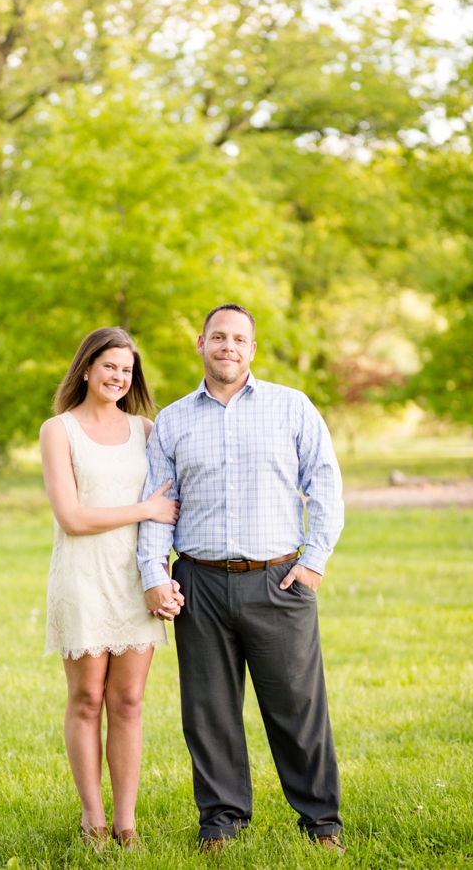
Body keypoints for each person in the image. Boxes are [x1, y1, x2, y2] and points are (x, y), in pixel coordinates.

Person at [136, 303, 347, 854]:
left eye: (239, 339)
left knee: (298, 708)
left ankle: (322, 822)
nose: (227, 346)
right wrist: (154, 573)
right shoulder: (174, 421)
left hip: (278, 581)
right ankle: (221, 821)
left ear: (252, 349)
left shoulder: (291, 407)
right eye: (218, 337)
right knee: (208, 711)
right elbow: (158, 503)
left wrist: (314, 562)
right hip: (198, 585)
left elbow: (324, 484)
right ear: (200, 344)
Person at [40, 327, 184, 850]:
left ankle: (126, 825)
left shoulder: (146, 430)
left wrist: (163, 576)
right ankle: (93, 820)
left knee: (128, 702)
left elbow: (171, 511)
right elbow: (72, 517)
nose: (118, 378)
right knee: (86, 700)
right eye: (109, 367)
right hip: (81, 579)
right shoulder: (58, 430)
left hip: (135, 583)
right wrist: (144, 509)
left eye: (126, 370)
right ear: (86, 368)